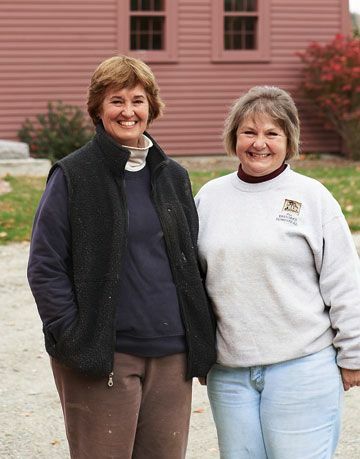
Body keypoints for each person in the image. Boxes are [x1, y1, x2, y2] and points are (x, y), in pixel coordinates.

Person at [27, 55, 216, 459]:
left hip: (171, 354)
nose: (128, 111)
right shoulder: (74, 175)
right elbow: (45, 265)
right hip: (103, 355)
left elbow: (191, 262)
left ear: (152, 107)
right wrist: (73, 336)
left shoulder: (173, 176)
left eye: (138, 100)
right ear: (98, 108)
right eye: (116, 100)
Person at [195, 86, 360, 458]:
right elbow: (193, 283)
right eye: (249, 132)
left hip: (302, 366)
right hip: (230, 372)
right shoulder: (209, 197)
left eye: (272, 133)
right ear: (234, 137)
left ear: (289, 141)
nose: (259, 143)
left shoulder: (312, 197)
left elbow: (344, 281)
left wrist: (354, 353)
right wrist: (199, 353)